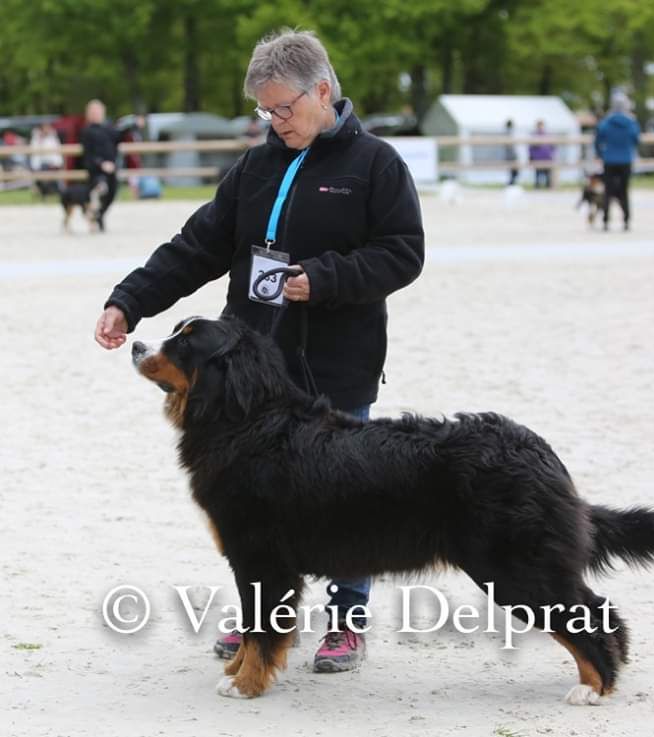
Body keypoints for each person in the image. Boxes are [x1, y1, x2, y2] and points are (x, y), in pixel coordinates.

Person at [94, 29, 424, 673]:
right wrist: (129, 300)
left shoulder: (377, 164)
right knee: (251, 501)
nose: (274, 122)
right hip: (245, 372)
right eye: (264, 111)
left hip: (337, 360)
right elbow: (198, 246)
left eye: (283, 109)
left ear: (321, 91)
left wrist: (324, 279)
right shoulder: (256, 164)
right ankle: (260, 621)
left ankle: (345, 623)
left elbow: (403, 252)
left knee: (346, 496)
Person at [80, 100, 143, 231]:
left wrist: (134, 124)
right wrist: (101, 164)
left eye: (98, 111)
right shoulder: (86, 132)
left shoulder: (109, 128)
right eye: (93, 112)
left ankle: (99, 216)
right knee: (101, 188)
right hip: (96, 170)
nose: (96, 114)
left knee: (112, 194)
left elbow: (121, 134)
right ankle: (93, 214)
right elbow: (88, 155)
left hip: (112, 169)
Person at [594, 93, 641, 231]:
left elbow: (598, 140)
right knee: (624, 191)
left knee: (608, 192)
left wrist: (601, 154)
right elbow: (636, 140)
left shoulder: (606, 122)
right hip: (626, 159)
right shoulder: (631, 122)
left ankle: (606, 221)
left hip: (609, 159)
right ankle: (626, 221)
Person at [30, 123, 63, 198]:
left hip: (52, 164)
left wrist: (57, 163)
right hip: (40, 165)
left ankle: (50, 191)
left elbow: (57, 154)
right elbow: (35, 156)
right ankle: (44, 192)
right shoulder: (36, 139)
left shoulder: (53, 139)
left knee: (49, 171)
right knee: (42, 171)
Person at [528, 119, 554, 189]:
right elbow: (530, 148)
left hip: (547, 157)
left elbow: (553, 147)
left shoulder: (547, 135)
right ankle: (537, 187)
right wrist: (531, 157)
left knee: (547, 175)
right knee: (537, 175)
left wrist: (552, 154)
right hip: (538, 158)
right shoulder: (535, 135)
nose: (540, 127)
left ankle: (548, 187)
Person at [504, 119, 518, 186]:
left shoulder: (508, 132)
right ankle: (511, 183)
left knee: (513, 171)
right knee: (514, 171)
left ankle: (511, 183)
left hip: (510, 155)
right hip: (512, 155)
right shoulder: (510, 133)